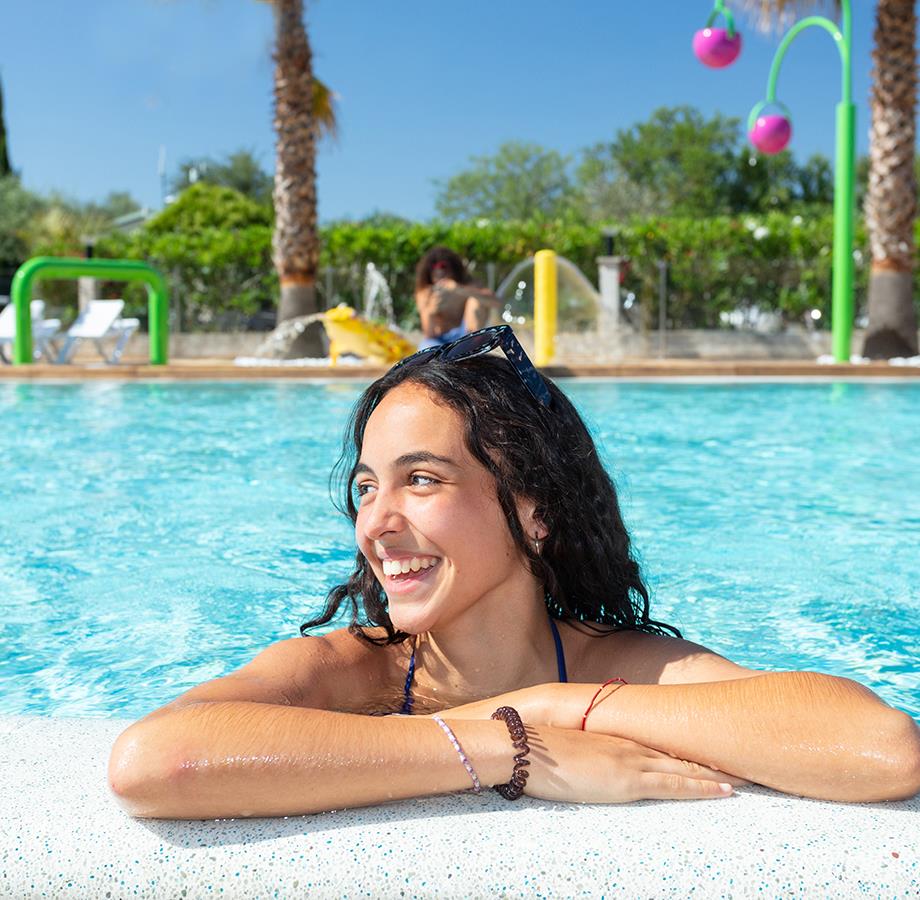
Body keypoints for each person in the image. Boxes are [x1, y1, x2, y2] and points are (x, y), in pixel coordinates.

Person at [108, 326, 920, 820]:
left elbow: (879, 748)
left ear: (532, 511)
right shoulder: (354, 667)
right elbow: (156, 761)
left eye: (421, 479)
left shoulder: (605, 663)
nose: (376, 522)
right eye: (366, 486)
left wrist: (548, 704)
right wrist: (502, 747)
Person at [414, 246, 500, 349]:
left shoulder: (466, 286)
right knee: (426, 347)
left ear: (454, 271)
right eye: (437, 276)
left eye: (444, 271)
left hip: (466, 336)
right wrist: (431, 311)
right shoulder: (425, 293)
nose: (441, 280)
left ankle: (472, 346)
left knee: (475, 300)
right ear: (429, 275)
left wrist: (459, 289)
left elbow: (496, 302)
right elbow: (428, 334)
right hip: (440, 340)